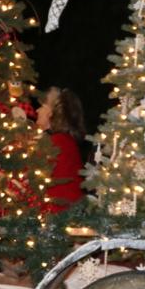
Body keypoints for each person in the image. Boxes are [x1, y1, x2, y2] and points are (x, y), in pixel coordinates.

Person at [35, 86, 86, 214]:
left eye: (42, 106)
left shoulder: (56, 142)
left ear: (51, 113)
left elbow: (30, 174)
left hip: (57, 216)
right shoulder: (65, 141)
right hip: (65, 212)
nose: (37, 110)